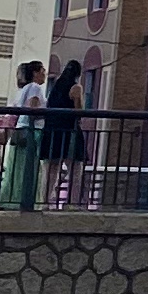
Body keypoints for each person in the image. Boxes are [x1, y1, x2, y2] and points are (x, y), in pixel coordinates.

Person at [0, 61, 46, 211]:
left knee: (17, 167)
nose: (44, 74)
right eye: (43, 71)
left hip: (20, 130)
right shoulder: (35, 88)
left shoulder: (23, 89)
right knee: (30, 168)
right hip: (31, 130)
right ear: (36, 73)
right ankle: (27, 201)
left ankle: (10, 199)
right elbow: (33, 107)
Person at [42, 58, 86, 209]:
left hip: (52, 130)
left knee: (51, 169)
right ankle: (71, 203)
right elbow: (79, 111)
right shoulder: (76, 87)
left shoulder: (55, 88)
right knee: (75, 169)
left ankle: (46, 202)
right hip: (70, 130)